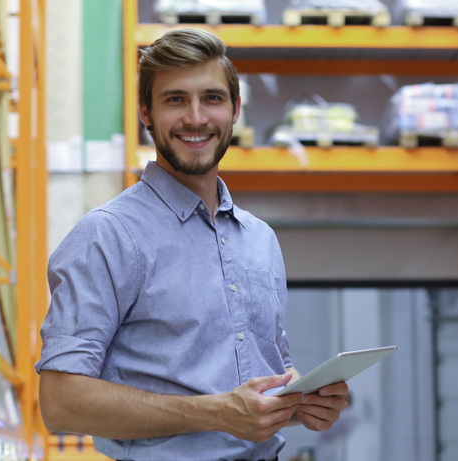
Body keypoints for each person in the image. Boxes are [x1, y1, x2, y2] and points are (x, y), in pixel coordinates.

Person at [36, 28, 349, 461]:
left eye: (213, 98)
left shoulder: (259, 239)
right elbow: (61, 402)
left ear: (236, 110)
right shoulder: (107, 236)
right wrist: (216, 413)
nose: (196, 117)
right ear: (146, 112)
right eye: (175, 99)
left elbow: (258, 390)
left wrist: (304, 403)